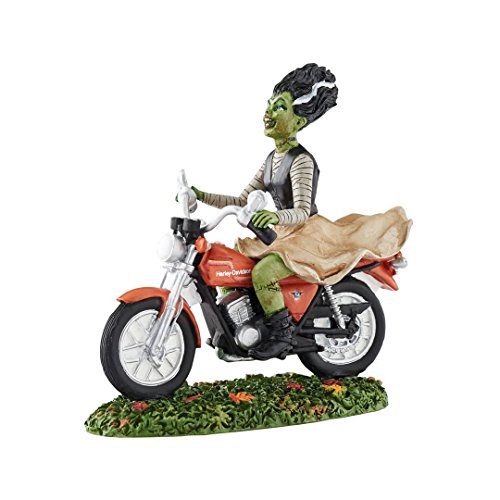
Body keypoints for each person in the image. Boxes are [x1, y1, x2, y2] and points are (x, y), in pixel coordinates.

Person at [188, 63, 411, 360]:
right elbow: (242, 200)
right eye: (269, 105)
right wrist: (200, 195)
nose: (268, 112)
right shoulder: (272, 159)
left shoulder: (301, 160)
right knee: (232, 263)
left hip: (306, 233)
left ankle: (281, 335)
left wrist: (275, 216)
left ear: (298, 121)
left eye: (279, 107)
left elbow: (303, 211)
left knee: (264, 272)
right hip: (282, 232)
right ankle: (241, 327)